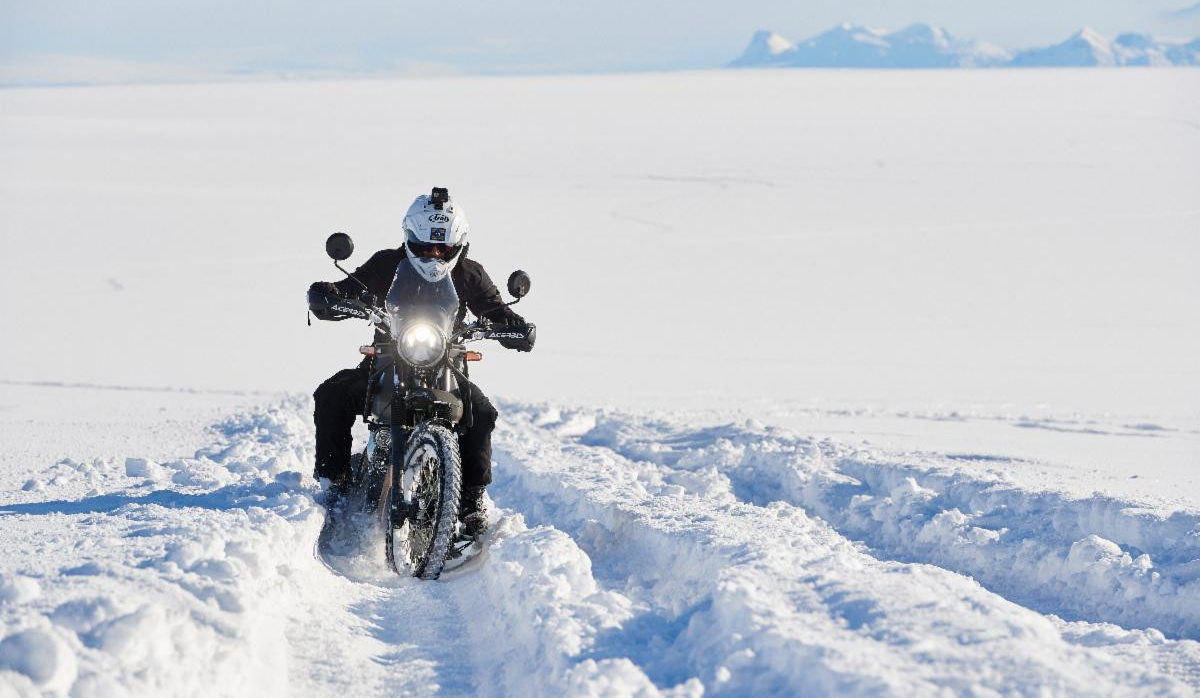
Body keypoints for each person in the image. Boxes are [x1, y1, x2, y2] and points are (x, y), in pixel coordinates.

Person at [308, 188, 531, 535]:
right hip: (386, 361)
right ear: (410, 239)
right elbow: (351, 287)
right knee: (332, 394)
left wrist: (513, 325)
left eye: (442, 248)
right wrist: (330, 294)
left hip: (448, 370)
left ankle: (471, 501)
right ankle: (334, 484)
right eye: (426, 246)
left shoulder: (470, 274)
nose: (434, 254)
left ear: (457, 245)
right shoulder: (386, 264)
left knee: (482, 413)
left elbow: (494, 308)